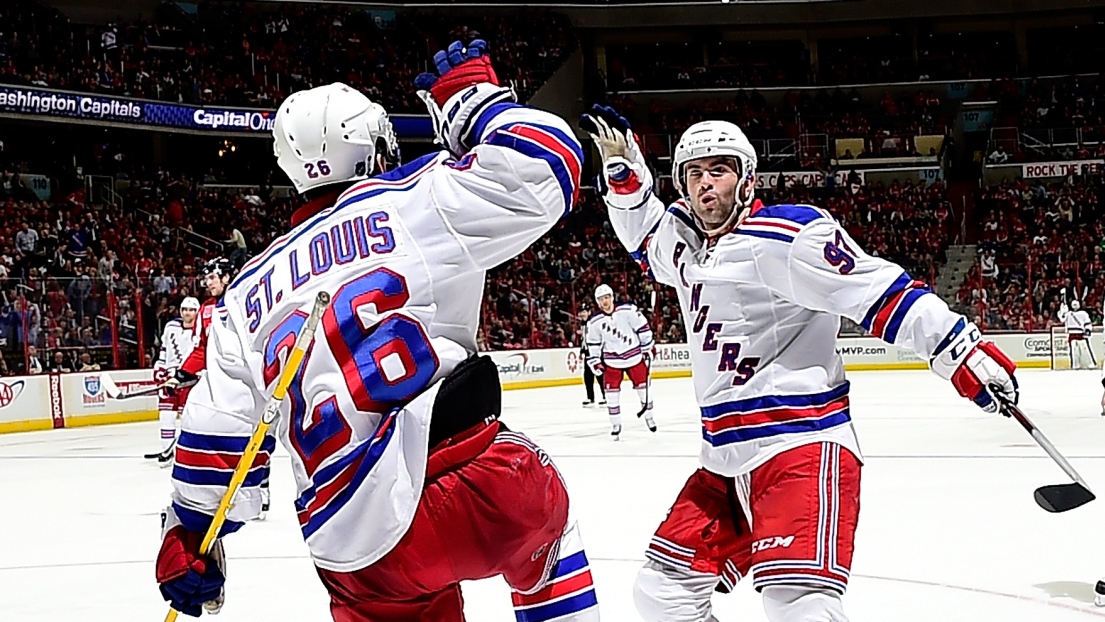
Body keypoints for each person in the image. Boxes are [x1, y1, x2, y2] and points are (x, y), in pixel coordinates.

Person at [154, 42, 599, 622]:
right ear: (375, 147)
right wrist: (475, 102)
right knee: (546, 535)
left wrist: (186, 537)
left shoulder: (243, 294)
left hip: (355, 546)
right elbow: (548, 164)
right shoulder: (418, 196)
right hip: (472, 482)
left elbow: (217, 434)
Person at [580, 106, 1020, 622]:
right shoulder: (687, 249)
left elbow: (877, 289)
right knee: (661, 593)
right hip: (723, 459)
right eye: (694, 174)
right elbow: (646, 238)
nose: (705, 186)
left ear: (745, 178)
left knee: (798, 606)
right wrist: (624, 179)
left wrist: (960, 351)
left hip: (801, 444)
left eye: (718, 171)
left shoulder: (788, 237)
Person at [585, 283, 656, 439]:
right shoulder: (594, 322)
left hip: (635, 357)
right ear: (597, 302)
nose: (605, 301)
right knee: (611, 395)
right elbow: (593, 343)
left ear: (612, 297)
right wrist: (595, 360)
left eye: (607, 297)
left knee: (644, 391)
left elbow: (643, 328)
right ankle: (615, 424)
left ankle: (649, 417)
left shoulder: (628, 311)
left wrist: (648, 347)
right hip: (612, 362)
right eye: (601, 299)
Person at [145, 297, 200, 467]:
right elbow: (164, 351)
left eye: (191, 310)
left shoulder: (203, 330)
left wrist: (200, 375)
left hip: (191, 382)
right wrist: (160, 369)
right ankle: (166, 451)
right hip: (170, 379)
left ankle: (187, 454)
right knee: (166, 416)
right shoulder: (171, 327)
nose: (186, 313)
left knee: (188, 420)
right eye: (184, 309)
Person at [1059, 299, 1095, 369]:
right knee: (1074, 351)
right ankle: (1075, 365)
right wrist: (1062, 311)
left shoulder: (1083, 313)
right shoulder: (1068, 314)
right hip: (1072, 334)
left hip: (1081, 334)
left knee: (1085, 350)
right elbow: (1062, 319)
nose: (1075, 306)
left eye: (1076, 304)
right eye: (1073, 305)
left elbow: (1087, 322)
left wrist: (1088, 330)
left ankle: (1090, 363)